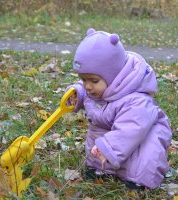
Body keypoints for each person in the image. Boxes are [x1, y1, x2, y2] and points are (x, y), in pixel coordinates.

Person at [65, 28, 172, 190]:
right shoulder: (96, 88)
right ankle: (101, 168)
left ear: (114, 76)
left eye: (93, 80)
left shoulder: (137, 100)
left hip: (138, 135)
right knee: (98, 132)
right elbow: (86, 90)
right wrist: (77, 94)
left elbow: (130, 129)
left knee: (144, 155)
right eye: (83, 79)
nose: (87, 86)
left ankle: (139, 181)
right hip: (113, 135)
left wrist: (108, 148)